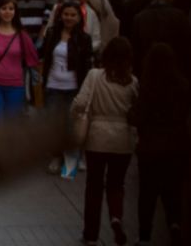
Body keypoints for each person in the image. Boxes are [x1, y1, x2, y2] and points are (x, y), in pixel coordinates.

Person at [73, 37, 138, 246]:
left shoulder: (94, 76)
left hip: (97, 137)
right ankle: (116, 218)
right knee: (116, 184)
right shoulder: (133, 82)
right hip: (123, 140)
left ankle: (91, 234)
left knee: (94, 185)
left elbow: (81, 102)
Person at [130, 43, 187, 245]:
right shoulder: (182, 86)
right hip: (176, 146)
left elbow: (138, 117)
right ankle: (174, 222)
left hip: (150, 147)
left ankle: (145, 234)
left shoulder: (147, 87)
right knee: (173, 189)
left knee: (147, 193)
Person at [42, 0, 93, 174]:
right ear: (60, 15)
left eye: (73, 15)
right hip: (53, 85)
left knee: (73, 125)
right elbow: (46, 57)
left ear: (79, 17)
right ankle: (56, 156)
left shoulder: (84, 39)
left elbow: (86, 65)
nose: (69, 18)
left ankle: (72, 157)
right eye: (66, 14)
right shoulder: (52, 33)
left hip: (73, 87)